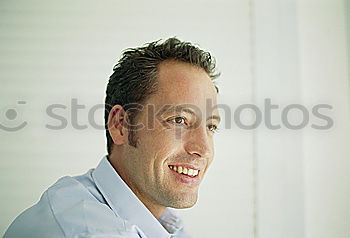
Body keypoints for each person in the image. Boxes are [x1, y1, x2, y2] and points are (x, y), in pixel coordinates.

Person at [4, 37, 221, 238]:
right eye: (179, 120)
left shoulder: (161, 220)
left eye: (211, 126)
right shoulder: (92, 231)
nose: (203, 148)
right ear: (120, 125)